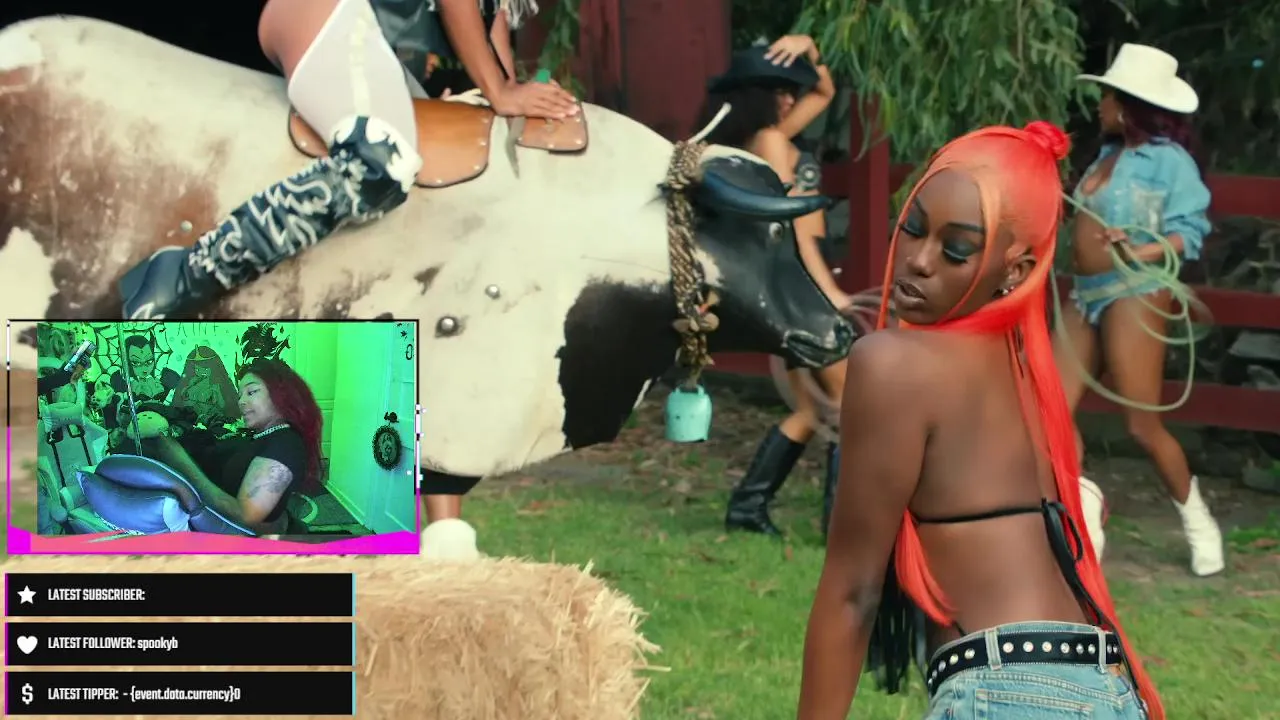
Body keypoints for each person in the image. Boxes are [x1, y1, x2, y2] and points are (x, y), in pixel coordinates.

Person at [798, 122, 1162, 720]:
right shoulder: (1025, 379)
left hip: (1013, 691)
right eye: (913, 227)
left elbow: (852, 591)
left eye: (956, 250)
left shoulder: (894, 364)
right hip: (1107, 690)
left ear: (1015, 271)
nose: (917, 261)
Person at [118, 0, 579, 319]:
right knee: (380, 163)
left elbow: (490, 18)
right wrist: (501, 91)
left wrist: (501, 96)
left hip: (386, 42)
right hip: (336, 12)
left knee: (441, 187)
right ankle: (183, 276)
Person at [1057, 43, 1223, 577]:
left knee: (1141, 425)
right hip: (1086, 293)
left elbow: (1188, 232)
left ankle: (1198, 522)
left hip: (1136, 290)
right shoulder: (1104, 158)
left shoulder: (1170, 163)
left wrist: (1141, 250)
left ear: (1127, 106)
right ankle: (1082, 513)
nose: (1100, 104)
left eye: (1107, 96)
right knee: (1050, 410)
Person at [695, 36, 848, 538]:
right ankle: (841, 526)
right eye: (778, 90)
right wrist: (825, 292)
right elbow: (792, 225)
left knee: (812, 407)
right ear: (754, 96)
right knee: (849, 401)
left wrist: (810, 49)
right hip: (796, 276)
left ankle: (748, 506)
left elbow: (823, 92)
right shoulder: (771, 142)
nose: (789, 98)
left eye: (790, 90)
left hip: (785, 278)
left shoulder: (754, 140)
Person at [148, 358, 323, 534]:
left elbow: (246, 517)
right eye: (240, 395)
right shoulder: (267, 436)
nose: (241, 402)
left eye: (251, 392)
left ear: (281, 395)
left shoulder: (284, 446)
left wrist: (183, 464)